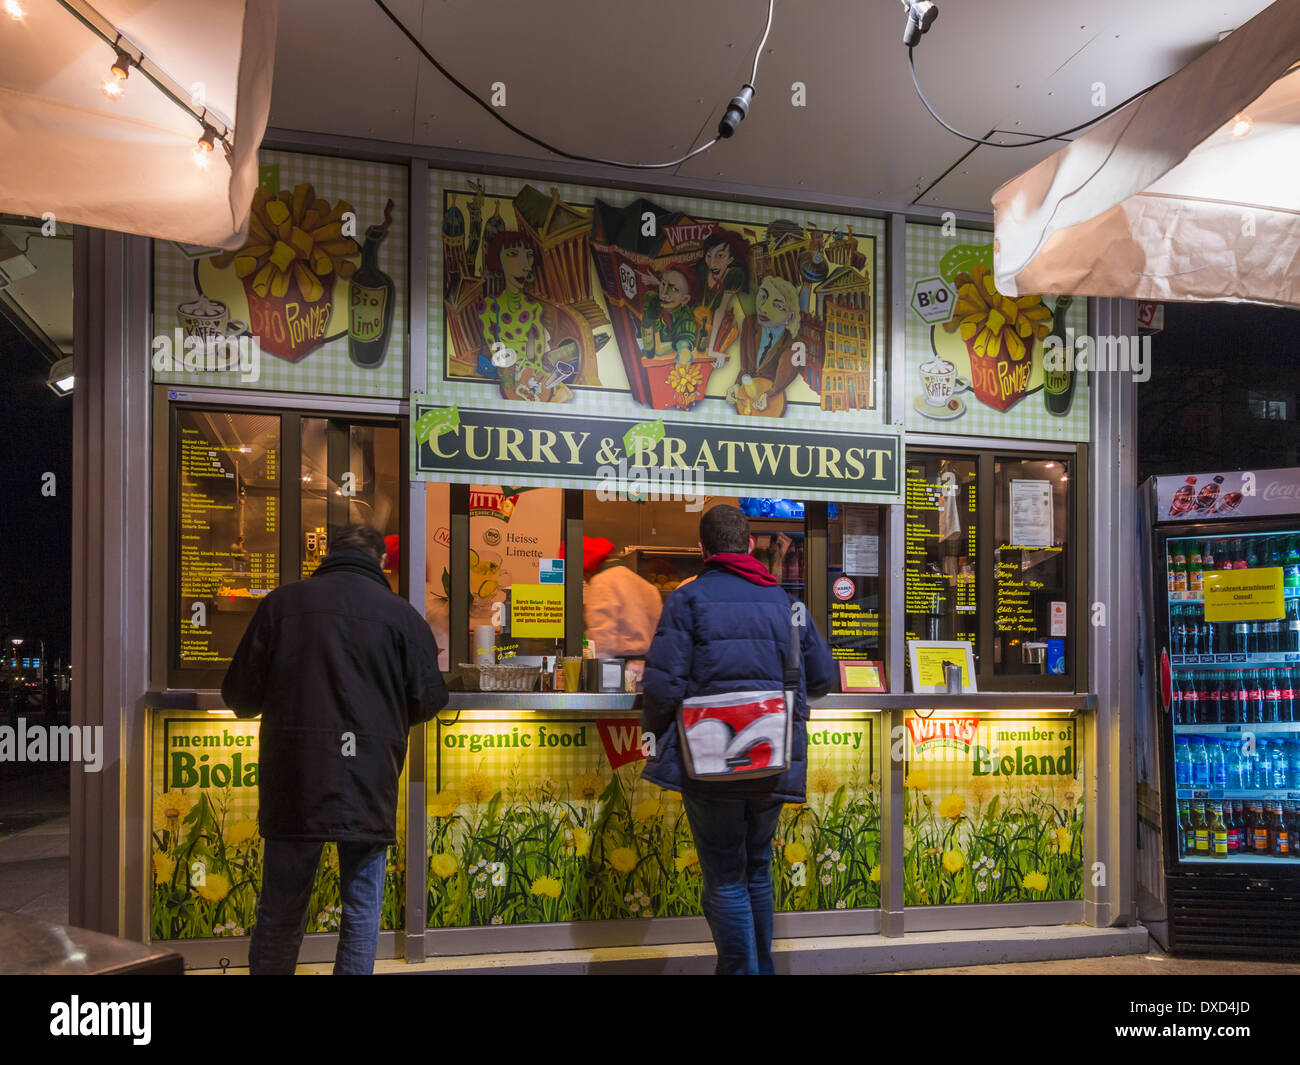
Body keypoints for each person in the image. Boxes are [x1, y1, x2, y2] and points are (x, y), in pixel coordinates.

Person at [221, 523, 448, 975]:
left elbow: (240, 697)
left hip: (295, 776)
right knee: (361, 910)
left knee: (281, 909)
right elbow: (429, 699)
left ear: (326, 554)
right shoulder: (402, 616)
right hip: (368, 776)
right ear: (381, 561)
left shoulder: (281, 606)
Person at [640, 504, 835, 975]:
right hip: (772, 757)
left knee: (725, 875)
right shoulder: (788, 605)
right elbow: (824, 678)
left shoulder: (686, 601)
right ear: (748, 545)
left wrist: (653, 731)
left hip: (711, 760)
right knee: (757, 868)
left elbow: (663, 688)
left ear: (703, 550)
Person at [575, 536, 664, 658]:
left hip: (619, 668)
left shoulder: (602, 582)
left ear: (587, 571)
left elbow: (601, 638)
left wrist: (593, 669)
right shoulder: (647, 586)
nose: (586, 580)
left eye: (584, 576)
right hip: (647, 666)